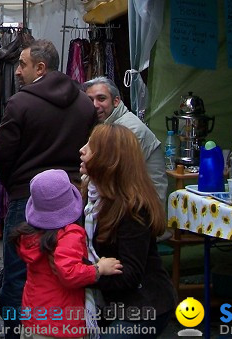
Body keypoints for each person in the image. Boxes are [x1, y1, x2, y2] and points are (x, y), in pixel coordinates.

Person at [0, 39, 99, 336]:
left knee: (18, 270)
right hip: (70, 197)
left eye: (22, 64)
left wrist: (14, 184)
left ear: (40, 67)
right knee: (64, 266)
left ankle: (16, 332)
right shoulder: (83, 103)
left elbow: (2, 153)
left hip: (29, 195)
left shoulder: (20, 102)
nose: (16, 71)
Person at [80, 124, 177, 336]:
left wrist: (86, 274)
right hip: (107, 301)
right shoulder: (92, 197)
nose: (82, 150)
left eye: (91, 146)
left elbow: (130, 276)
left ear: (108, 159)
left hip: (143, 306)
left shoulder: (134, 209)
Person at [13, 169, 121, 338]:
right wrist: (99, 269)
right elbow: (69, 273)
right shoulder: (69, 235)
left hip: (34, 320)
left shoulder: (31, 237)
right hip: (62, 324)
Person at [83, 77, 167, 203]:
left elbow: (112, 174)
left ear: (116, 101)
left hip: (144, 205)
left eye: (101, 99)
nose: (95, 105)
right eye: (90, 100)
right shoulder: (106, 124)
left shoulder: (130, 129)